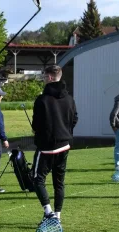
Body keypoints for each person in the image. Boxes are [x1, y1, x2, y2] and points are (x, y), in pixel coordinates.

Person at [31, 65, 78, 222]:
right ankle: (57, 215)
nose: (44, 80)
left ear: (50, 77)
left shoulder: (42, 100)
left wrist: (40, 134)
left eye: (45, 77)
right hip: (65, 145)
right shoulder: (70, 99)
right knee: (59, 182)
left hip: (47, 147)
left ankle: (49, 212)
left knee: (37, 178)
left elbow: (36, 124)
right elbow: (74, 119)